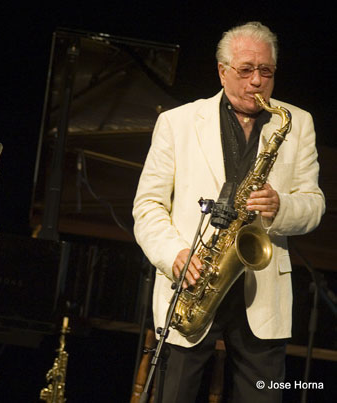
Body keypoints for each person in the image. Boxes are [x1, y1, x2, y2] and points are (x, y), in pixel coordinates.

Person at [132, 22, 325, 402]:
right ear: (222, 71)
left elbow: (315, 205)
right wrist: (175, 256)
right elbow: (148, 205)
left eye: (266, 71)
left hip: (262, 293)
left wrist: (281, 206)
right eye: (246, 70)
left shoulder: (297, 122)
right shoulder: (177, 122)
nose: (257, 81)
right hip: (192, 285)